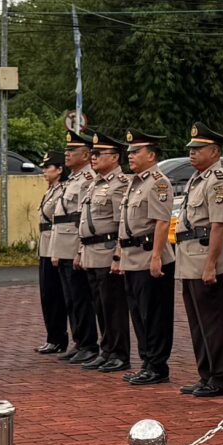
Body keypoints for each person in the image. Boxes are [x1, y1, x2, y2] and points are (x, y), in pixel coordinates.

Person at [176, 126, 223, 397]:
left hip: (205, 258)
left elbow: (218, 225)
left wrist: (211, 264)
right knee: (198, 323)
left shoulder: (217, 181)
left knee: (214, 323)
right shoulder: (197, 179)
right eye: (191, 149)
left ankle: (221, 378)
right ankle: (206, 375)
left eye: (198, 149)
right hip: (190, 257)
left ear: (214, 152)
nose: (192, 153)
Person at [121, 130, 175, 387]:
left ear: (151, 156)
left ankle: (157, 366)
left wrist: (156, 256)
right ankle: (146, 362)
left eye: (136, 151)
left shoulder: (158, 182)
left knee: (154, 315)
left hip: (148, 256)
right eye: (129, 152)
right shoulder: (136, 182)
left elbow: (162, 222)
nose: (130, 155)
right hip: (132, 257)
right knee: (139, 314)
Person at [78, 132, 132, 373]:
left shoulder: (120, 185)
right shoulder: (95, 184)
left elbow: (122, 223)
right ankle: (107, 350)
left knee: (114, 307)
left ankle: (119, 354)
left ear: (115, 157)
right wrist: (81, 251)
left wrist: (118, 255)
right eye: (93, 153)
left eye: (99, 153)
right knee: (100, 306)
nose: (94, 157)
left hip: (107, 251)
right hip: (92, 251)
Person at [56, 132, 99, 363]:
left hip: (74, 244)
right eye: (67, 150)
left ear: (85, 155)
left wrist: (79, 250)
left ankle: (89, 344)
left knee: (81, 298)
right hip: (63, 244)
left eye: (72, 151)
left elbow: (84, 217)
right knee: (71, 299)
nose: (67, 154)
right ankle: (79, 341)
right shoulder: (73, 179)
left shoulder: (87, 179)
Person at [32, 150, 72, 355]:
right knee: (47, 295)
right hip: (45, 246)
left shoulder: (63, 190)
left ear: (59, 170)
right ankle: (52, 337)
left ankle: (58, 338)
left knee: (55, 295)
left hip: (55, 246)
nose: (44, 171)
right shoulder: (52, 190)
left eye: (48, 167)